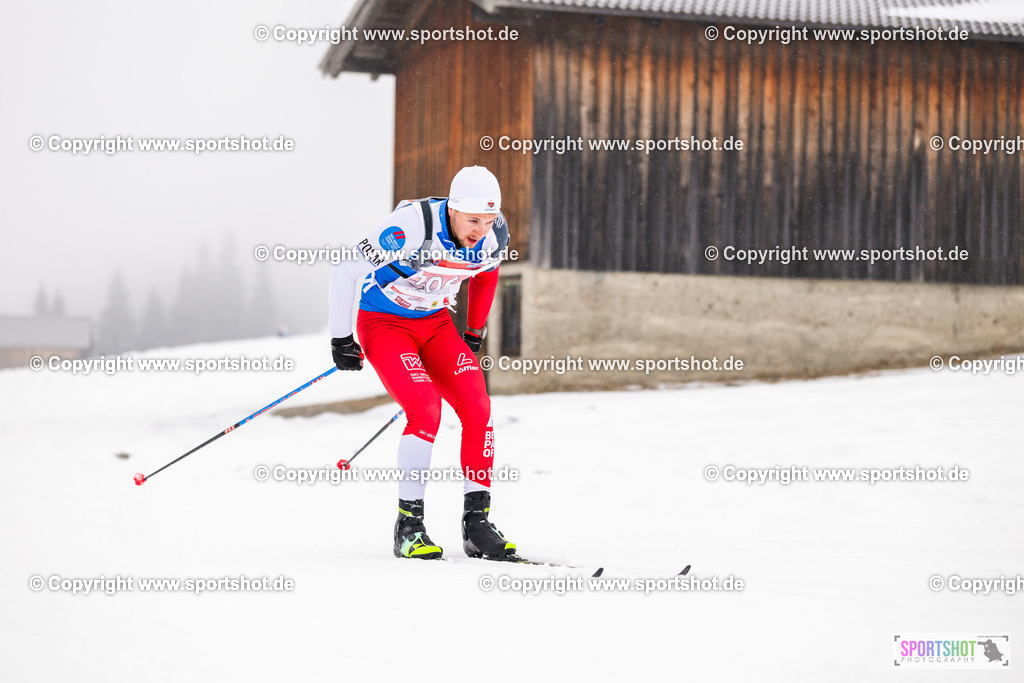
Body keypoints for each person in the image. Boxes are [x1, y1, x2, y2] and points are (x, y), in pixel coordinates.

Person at [328, 166, 516, 561]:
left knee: (478, 406)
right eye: (472, 220)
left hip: (434, 324)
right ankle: (409, 528)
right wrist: (341, 338)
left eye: (487, 219)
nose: (480, 230)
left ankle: (476, 524)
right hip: (385, 323)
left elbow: (486, 274)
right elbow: (346, 269)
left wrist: (474, 330)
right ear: (452, 208)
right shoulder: (412, 225)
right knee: (426, 410)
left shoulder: (493, 235)